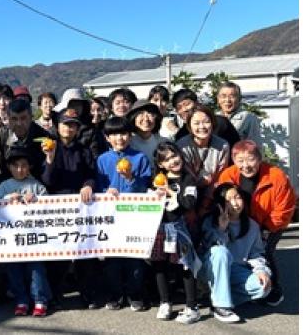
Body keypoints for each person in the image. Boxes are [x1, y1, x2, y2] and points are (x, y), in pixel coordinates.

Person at [218, 140, 296, 306]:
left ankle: (272, 287)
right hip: (238, 221)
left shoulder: (276, 176)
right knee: (239, 254)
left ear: (259, 159)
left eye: (250, 159)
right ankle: (244, 286)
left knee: (264, 253)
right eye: (240, 160)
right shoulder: (228, 175)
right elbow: (220, 199)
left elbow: (284, 208)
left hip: (269, 225)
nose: (245, 165)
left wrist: (266, 229)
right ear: (234, 161)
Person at [40, 108, 100, 309]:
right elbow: (47, 181)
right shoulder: (48, 147)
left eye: (73, 124)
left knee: (85, 252)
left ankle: (88, 293)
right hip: (57, 209)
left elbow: (91, 174)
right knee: (59, 254)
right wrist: (49, 159)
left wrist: (88, 185)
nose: (69, 128)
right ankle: (55, 295)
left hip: (81, 207)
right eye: (66, 123)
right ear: (58, 126)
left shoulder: (83, 150)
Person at [94, 116, 151, 311]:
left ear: (130, 135)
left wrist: (130, 178)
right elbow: (99, 187)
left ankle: (135, 294)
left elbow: (144, 187)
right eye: (115, 134)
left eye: (124, 133)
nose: (120, 138)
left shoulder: (140, 158)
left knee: (134, 258)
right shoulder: (102, 160)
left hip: (133, 217)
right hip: (111, 217)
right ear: (107, 137)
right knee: (112, 259)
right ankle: (115, 294)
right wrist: (106, 192)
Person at [198, 184, 272, 323]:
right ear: (220, 203)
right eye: (228, 200)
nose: (235, 203)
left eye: (237, 197)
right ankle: (222, 306)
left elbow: (256, 254)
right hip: (210, 270)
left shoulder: (252, 226)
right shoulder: (210, 221)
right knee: (220, 251)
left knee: (263, 287)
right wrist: (221, 229)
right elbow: (209, 250)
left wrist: (261, 271)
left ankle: (218, 299)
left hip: (236, 270)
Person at [0, 147, 52, 317]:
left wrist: (37, 199)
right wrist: (7, 199)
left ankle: (40, 300)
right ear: (9, 167)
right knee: (14, 269)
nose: (20, 169)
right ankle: (21, 300)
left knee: (36, 268)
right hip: (12, 239)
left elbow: (51, 205)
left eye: (24, 165)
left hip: (34, 237)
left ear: (29, 167)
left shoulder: (36, 185)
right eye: (16, 166)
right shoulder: (4, 186)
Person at [150, 142, 201, 324]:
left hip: (180, 228)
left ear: (181, 155)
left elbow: (189, 203)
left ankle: (192, 306)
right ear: (161, 164)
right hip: (159, 228)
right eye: (167, 159)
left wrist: (170, 192)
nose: (172, 161)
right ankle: (165, 302)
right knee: (159, 265)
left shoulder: (188, 179)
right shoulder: (157, 179)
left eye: (174, 156)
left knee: (185, 266)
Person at [0, 98, 50, 188]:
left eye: (23, 118)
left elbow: (45, 172)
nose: (19, 123)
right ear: (8, 119)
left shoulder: (43, 136)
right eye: (14, 119)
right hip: (7, 189)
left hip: (36, 187)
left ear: (31, 118)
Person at [176, 104, 230, 197]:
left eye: (206, 122)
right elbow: (185, 177)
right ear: (189, 126)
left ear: (212, 123)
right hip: (187, 192)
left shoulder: (223, 145)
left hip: (214, 192)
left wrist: (207, 200)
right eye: (196, 123)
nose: (202, 127)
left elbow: (220, 176)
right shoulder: (182, 146)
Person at [172, 88, 240, 150]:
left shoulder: (221, 123)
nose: (184, 109)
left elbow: (237, 148)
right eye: (179, 107)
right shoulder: (181, 135)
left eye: (187, 104)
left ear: (197, 103)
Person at [54, 88, 107, 161]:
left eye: (77, 105)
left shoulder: (91, 131)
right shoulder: (55, 128)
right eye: (72, 105)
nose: (74, 109)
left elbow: (95, 156)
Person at [216, 82, 262, 146]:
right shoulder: (214, 117)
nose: (227, 100)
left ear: (239, 99)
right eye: (223, 96)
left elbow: (255, 145)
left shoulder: (248, 118)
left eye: (232, 96)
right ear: (218, 99)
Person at [126, 99, 166, 166]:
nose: (146, 119)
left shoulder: (164, 143)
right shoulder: (127, 143)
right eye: (140, 114)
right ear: (133, 118)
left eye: (150, 114)